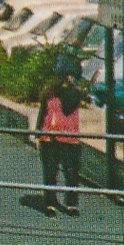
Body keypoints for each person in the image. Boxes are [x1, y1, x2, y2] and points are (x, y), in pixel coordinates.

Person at [36, 74, 85, 216]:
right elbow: (43, 112)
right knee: (50, 172)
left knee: (71, 173)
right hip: (49, 137)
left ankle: (71, 204)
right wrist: (38, 133)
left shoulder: (73, 93)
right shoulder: (49, 93)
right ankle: (50, 203)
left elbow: (68, 105)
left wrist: (67, 87)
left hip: (69, 137)